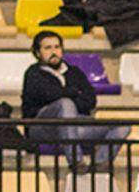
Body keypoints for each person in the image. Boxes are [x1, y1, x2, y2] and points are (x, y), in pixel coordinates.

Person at [22, 31, 130, 162]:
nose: (53, 52)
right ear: (38, 53)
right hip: (43, 127)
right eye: (48, 48)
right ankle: (76, 161)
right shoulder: (33, 74)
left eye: (57, 47)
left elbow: (90, 100)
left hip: (75, 126)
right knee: (65, 104)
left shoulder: (75, 72)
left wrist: (66, 94)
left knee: (122, 127)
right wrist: (73, 94)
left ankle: (99, 165)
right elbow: (49, 95)